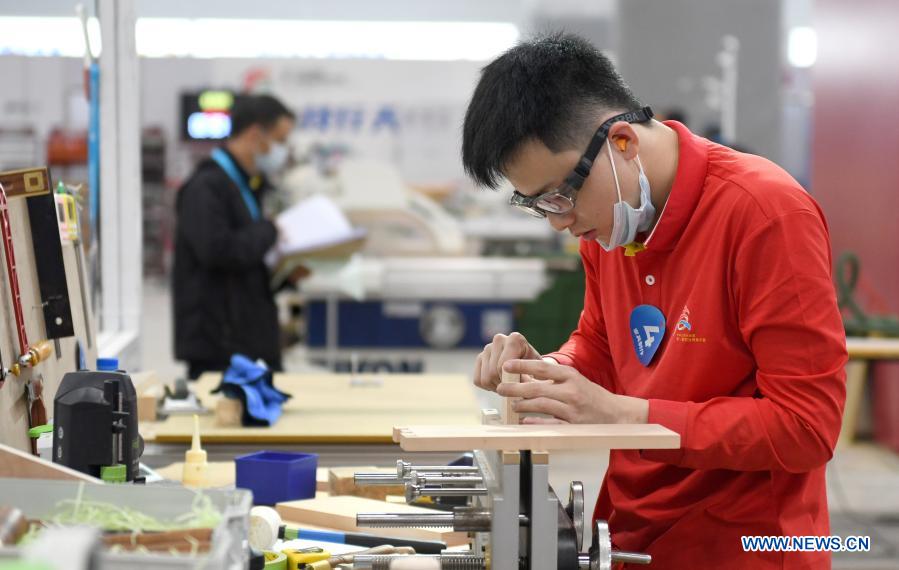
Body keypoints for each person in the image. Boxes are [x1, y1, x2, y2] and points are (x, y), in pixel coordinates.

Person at [462, 33, 846, 569]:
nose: (559, 221)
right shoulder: (612, 222)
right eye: (537, 205)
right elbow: (600, 346)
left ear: (622, 142)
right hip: (627, 537)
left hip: (743, 547)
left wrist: (624, 414)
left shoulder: (765, 213)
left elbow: (807, 427)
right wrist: (548, 371)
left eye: (560, 194)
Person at [173, 94, 295, 379]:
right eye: (280, 140)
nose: (283, 151)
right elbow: (218, 251)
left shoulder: (247, 186)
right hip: (220, 348)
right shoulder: (205, 188)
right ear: (255, 134)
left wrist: (286, 273)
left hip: (248, 339)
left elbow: (246, 264)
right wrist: (269, 230)